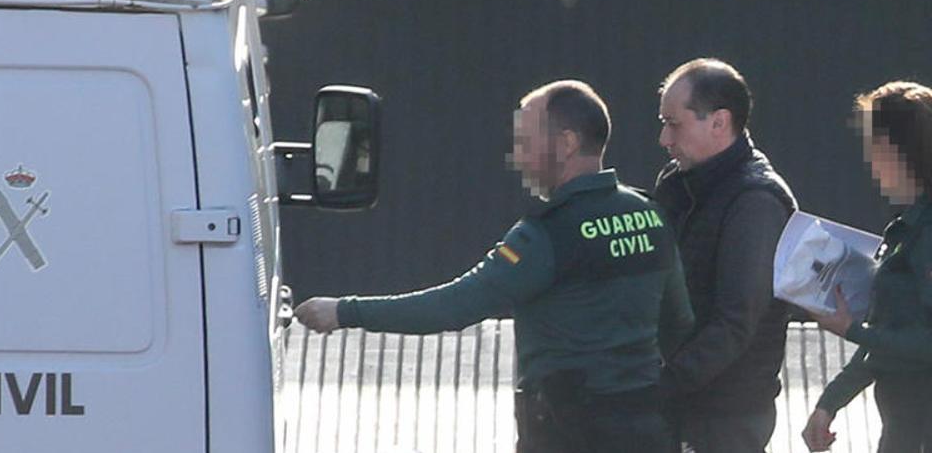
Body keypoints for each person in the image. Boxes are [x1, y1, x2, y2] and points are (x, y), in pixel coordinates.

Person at [294, 80, 694, 453]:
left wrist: (343, 311)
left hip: (569, 432)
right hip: (647, 430)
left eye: (525, 142)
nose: (517, 157)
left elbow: (455, 305)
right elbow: (678, 322)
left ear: (567, 143)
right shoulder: (650, 216)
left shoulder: (546, 234)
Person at [653, 58, 797, 452]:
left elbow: (736, 321)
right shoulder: (679, 183)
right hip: (681, 404)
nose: (664, 138)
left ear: (719, 122)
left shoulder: (756, 201)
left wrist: (661, 385)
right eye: (662, 122)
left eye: (674, 123)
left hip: (725, 416)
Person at [802, 81, 932, 452]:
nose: (871, 161)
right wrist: (830, 402)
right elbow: (891, 336)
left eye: (876, 146)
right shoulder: (907, 227)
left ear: (900, 150)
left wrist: (854, 331)